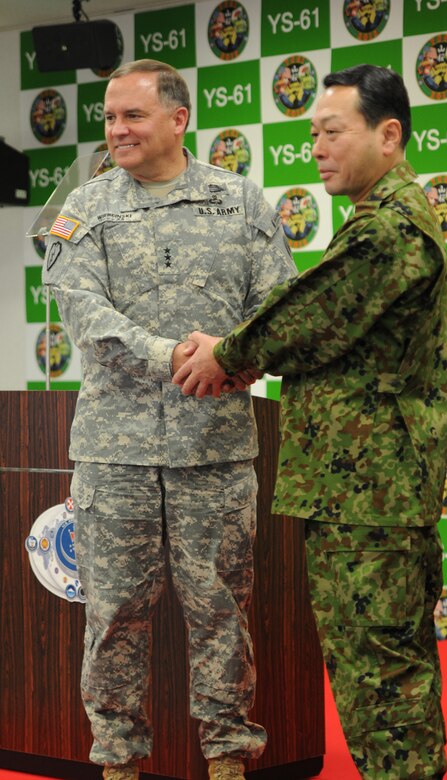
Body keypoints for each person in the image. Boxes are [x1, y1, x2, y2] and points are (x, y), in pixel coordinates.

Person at [173, 65, 447, 780]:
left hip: (372, 498)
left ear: (389, 135)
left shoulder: (388, 228)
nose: (317, 149)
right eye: (311, 134)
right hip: (359, 492)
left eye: (332, 132)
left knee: (382, 675)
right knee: (373, 667)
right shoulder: (379, 221)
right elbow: (320, 331)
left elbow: (308, 317)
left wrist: (227, 353)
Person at [42, 59, 296, 780]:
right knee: (113, 616)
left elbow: (278, 306)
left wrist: (239, 355)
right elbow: (85, 316)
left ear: (178, 120)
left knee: (222, 614)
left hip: (214, 450)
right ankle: (118, 764)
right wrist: (180, 356)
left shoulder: (240, 201)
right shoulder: (85, 209)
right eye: (110, 118)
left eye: (133, 116)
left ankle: (227, 760)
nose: (116, 130)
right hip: (113, 456)